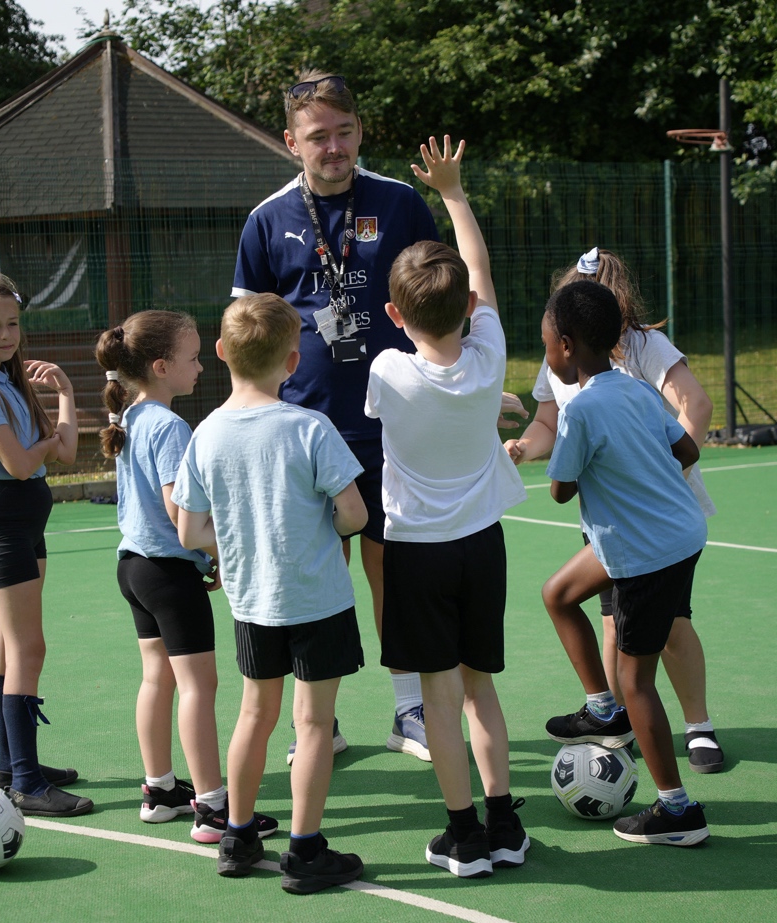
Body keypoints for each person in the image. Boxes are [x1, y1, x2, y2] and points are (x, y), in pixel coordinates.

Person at [231, 72, 440, 763]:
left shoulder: (400, 202)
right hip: (301, 433)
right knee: (314, 578)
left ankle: (409, 710)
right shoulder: (267, 219)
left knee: (394, 575)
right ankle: (316, 723)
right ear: (291, 142)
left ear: (360, 132)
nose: (333, 147)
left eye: (344, 132)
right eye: (318, 135)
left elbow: (440, 300)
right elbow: (247, 331)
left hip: (394, 427)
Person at [365, 136, 529, 878]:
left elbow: (447, 311)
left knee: (438, 695)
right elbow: (480, 275)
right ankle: (505, 825)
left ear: (394, 313)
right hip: (482, 546)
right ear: (467, 308)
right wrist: (454, 194)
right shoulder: (489, 358)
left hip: (417, 554)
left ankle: (463, 836)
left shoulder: (387, 370)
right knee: (479, 688)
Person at [173, 293, 369, 894]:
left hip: (252, 601)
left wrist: (234, 545)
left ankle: (237, 836)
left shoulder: (205, 434)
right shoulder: (310, 428)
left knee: (254, 715)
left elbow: (189, 531)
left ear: (221, 352)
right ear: (293, 360)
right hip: (317, 599)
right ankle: (305, 851)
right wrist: (323, 524)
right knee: (313, 724)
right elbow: (355, 515)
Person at [504, 248, 725, 773]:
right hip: (622, 528)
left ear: (568, 338)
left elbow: (563, 487)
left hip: (652, 525)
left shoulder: (639, 352)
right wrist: (523, 447)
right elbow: (548, 423)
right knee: (595, 616)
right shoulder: (611, 385)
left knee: (662, 640)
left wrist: (644, 476)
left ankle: (690, 747)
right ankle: (612, 717)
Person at [95, 311, 277, 843]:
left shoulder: (130, 415)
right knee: (199, 686)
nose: (201, 367)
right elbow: (183, 517)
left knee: (158, 679)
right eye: (193, 358)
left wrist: (201, 555)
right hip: (168, 574)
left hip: (134, 569)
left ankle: (159, 790)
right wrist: (222, 548)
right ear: (160, 366)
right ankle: (213, 808)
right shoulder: (170, 426)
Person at [541, 278, 710, 846]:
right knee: (559, 594)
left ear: (566, 346)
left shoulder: (582, 410)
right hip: (678, 533)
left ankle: (677, 812)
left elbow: (561, 489)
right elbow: (687, 448)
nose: (546, 354)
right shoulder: (637, 390)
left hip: (646, 553)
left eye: (545, 344)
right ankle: (601, 708)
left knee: (638, 682)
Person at [0, 271, 92, 818]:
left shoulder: (9, 379)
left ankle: (12, 767)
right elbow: (22, 464)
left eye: (12, 323)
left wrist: (65, 394)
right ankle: (26, 784)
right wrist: (48, 443)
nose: (5, 335)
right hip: (0, 521)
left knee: (11, 649)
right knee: (30, 649)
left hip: (27, 521)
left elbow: (67, 453)